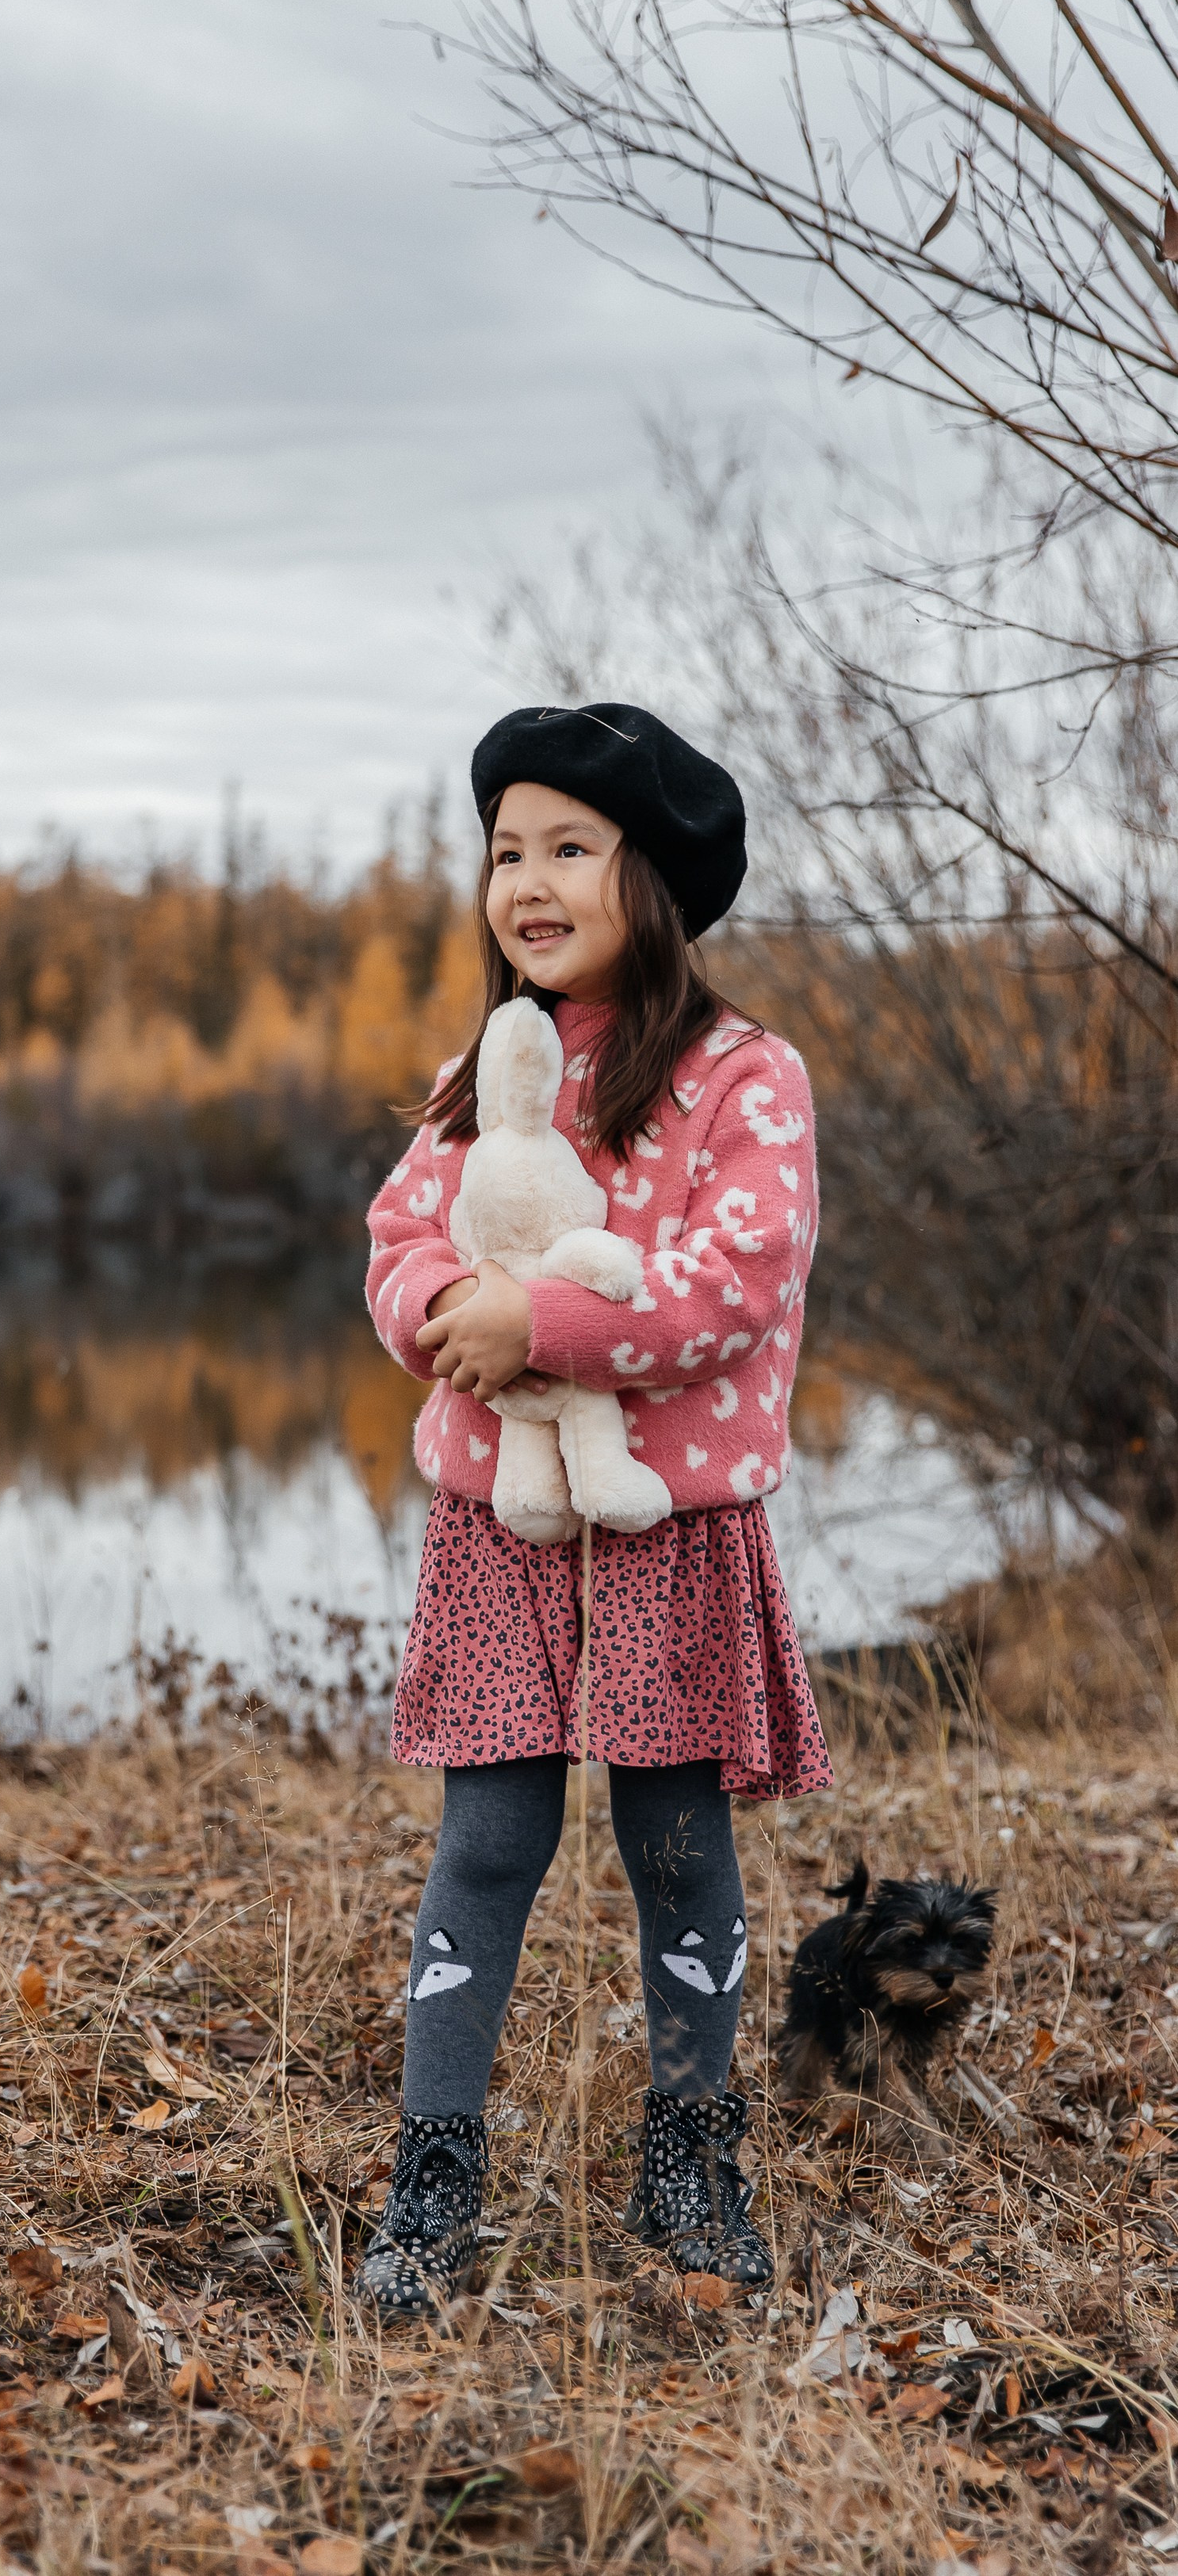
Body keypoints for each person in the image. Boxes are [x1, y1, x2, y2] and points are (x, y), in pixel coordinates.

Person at [358, 701, 832, 2315]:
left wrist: (544, 1325)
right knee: (487, 1836)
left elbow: (732, 1286)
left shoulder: (739, 1077)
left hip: (670, 1529)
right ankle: (437, 2164)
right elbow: (400, 1242)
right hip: (501, 1523)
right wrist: (439, 1309)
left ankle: (693, 2150)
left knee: (676, 1842)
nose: (529, 880)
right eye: (506, 850)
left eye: (569, 847)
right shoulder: (476, 1073)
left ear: (658, 877)